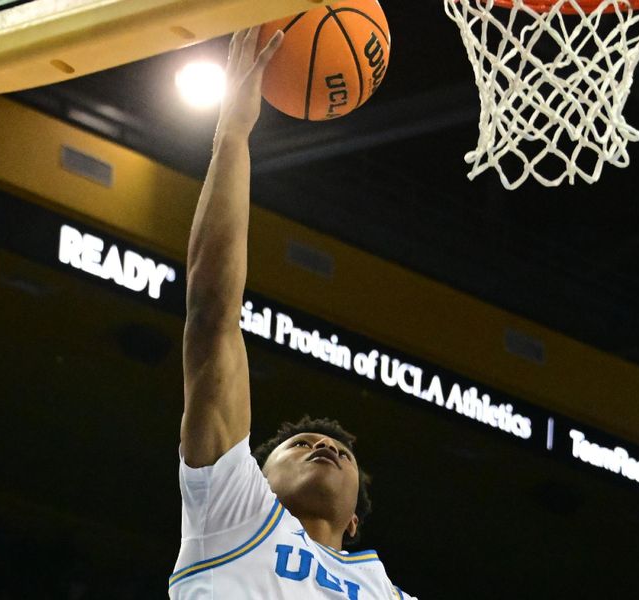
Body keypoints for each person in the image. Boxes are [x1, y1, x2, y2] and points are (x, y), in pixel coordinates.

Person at [168, 26, 417, 600]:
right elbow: (212, 317)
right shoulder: (233, 511)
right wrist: (232, 134)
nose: (325, 448)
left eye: (340, 454)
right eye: (302, 445)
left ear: (354, 522)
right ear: (253, 477)